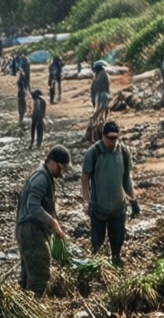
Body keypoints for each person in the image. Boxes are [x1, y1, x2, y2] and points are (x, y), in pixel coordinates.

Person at [80, 121, 140, 268]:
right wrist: (87, 202)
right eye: (109, 138)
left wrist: (133, 199)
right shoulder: (93, 152)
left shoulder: (123, 151)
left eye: (115, 138)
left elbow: (126, 178)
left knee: (118, 238)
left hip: (118, 206)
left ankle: (116, 260)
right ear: (103, 136)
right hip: (99, 207)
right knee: (97, 242)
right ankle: (97, 265)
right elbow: (85, 179)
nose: (112, 141)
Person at [16, 147, 70, 296]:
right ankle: (33, 306)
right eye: (60, 167)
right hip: (31, 232)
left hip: (29, 231)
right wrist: (53, 223)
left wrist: (55, 225)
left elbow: (46, 207)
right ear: (51, 162)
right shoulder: (41, 178)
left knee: (27, 277)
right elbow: (33, 206)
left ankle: (25, 302)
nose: (62, 172)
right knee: (40, 278)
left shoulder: (45, 175)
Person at [89, 61, 111, 129]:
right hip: (101, 93)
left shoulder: (102, 74)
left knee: (100, 109)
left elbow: (98, 85)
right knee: (102, 109)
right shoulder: (100, 74)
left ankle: (100, 122)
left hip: (101, 94)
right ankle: (101, 121)